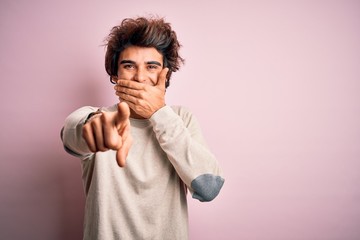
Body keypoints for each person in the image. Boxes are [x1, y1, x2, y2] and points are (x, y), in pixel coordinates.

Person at [61, 16, 224, 240]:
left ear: (165, 74)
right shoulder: (99, 117)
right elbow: (72, 135)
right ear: (115, 75)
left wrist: (159, 113)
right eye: (129, 66)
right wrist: (96, 125)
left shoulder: (182, 119)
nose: (139, 77)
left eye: (151, 66)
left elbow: (208, 187)